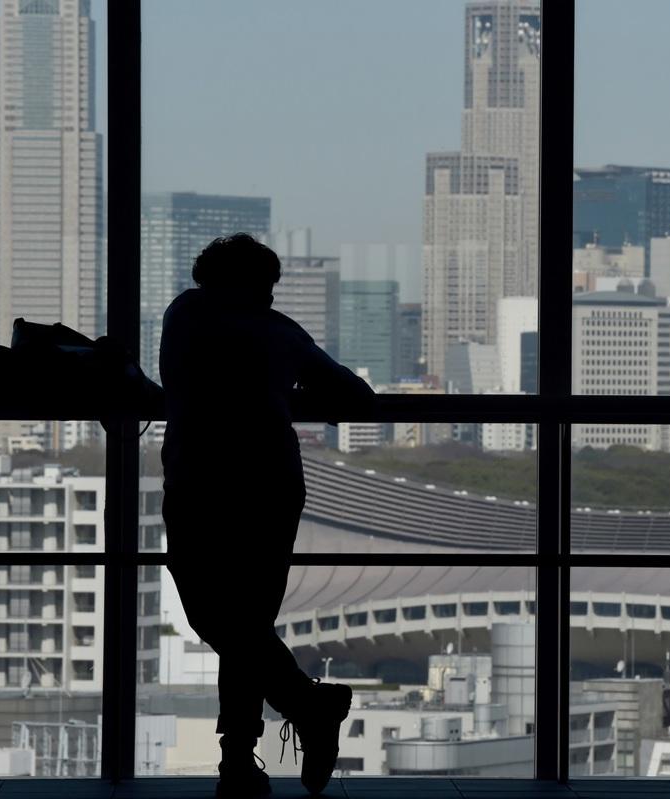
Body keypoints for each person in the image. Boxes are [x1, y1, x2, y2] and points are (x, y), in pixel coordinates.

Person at [159, 233, 376, 798]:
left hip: (196, 481)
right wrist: (288, 388)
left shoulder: (183, 315)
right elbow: (356, 395)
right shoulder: (279, 333)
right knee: (247, 621)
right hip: (268, 486)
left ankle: (250, 753)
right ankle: (292, 718)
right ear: (259, 284)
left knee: (220, 619)